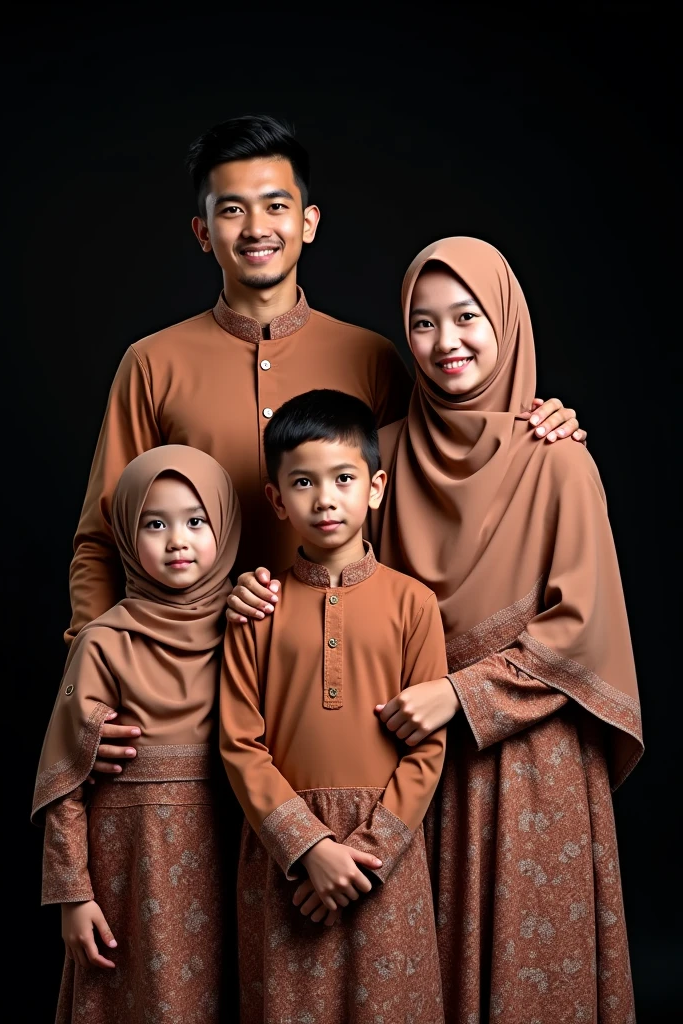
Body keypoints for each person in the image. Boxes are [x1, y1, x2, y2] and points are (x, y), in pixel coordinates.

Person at [67, 113, 582, 776]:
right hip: (183, 699)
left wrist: (530, 423)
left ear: (308, 221)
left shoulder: (370, 358)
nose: (257, 228)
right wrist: (87, 690)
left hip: (347, 708)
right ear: (203, 232)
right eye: (232, 210)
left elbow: (440, 481)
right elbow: (101, 537)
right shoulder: (152, 363)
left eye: (276, 205)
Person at [228, 238, 642, 1023]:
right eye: (423, 323)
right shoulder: (387, 454)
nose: (446, 342)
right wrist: (256, 584)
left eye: (468, 317)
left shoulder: (556, 459)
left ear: (506, 323)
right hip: (410, 763)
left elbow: (581, 629)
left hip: (527, 764)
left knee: (526, 972)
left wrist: (457, 695)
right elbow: (340, 580)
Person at [220, 390, 448, 1023]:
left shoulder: (414, 605)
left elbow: (427, 749)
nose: (324, 499)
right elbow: (240, 744)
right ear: (276, 499)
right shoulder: (258, 610)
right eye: (302, 482)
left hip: (387, 856)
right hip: (285, 862)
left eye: (343, 478)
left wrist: (366, 860)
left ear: (374, 487)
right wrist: (311, 848)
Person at [32, 446, 240, 1023]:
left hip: (235, 853)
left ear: (224, 526)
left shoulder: (252, 628)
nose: (178, 540)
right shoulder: (103, 641)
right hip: (132, 872)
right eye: (155, 523)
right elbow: (63, 781)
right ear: (126, 532)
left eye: (196, 521)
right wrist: (73, 895)